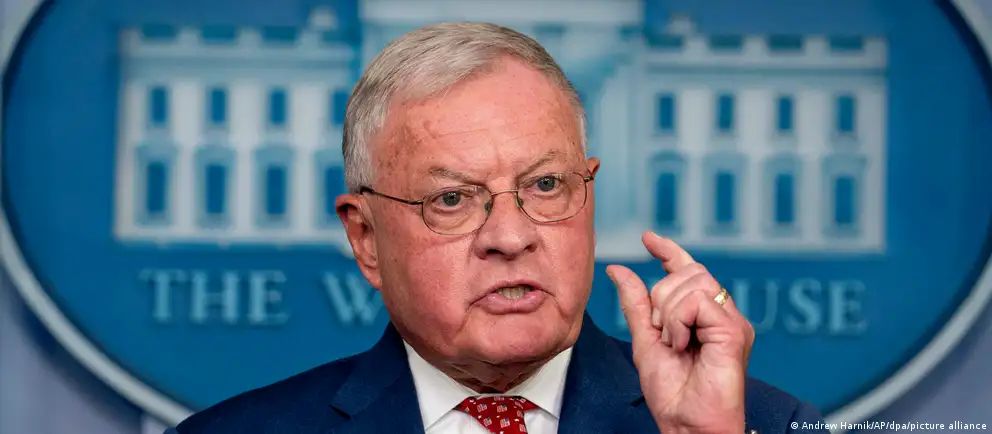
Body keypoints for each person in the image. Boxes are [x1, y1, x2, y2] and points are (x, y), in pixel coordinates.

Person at [166, 22, 829, 434]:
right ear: (365, 239)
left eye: (546, 185)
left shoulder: (763, 425)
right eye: (453, 198)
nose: (512, 238)